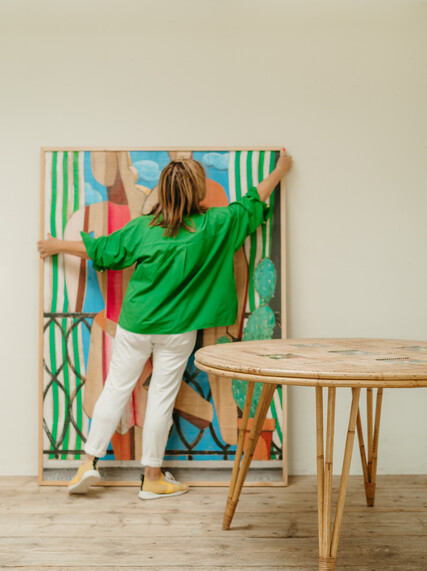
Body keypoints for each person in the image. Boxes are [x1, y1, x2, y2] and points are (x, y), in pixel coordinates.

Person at [38, 150, 292, 499]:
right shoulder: (218, 225)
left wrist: (55, 245)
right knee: (161, 399)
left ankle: (87, 463)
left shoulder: (144, 228)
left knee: (115, 389)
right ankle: (153, 479)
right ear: (199, 191)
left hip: (136, 324)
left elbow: (102, 251)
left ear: (163, 191)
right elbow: (253, 200)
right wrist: (279, 170)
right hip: (177, 332)